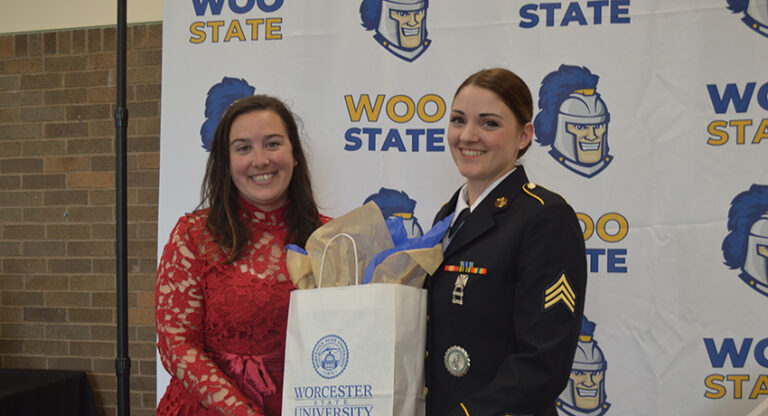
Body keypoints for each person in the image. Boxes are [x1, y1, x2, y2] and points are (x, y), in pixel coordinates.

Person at [425, 68, 587, 416]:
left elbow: (543, 363)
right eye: (458, 120)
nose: (468, 135)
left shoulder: (545, 218)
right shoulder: (446, 217)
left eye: (489, 123)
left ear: (524, 136)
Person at [155, 95, 330, 416]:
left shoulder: (331, 239)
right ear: (226, 161)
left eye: (272, 143)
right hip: (209, 409)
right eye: (243, 148)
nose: (260, 159)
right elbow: (176, 344)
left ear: (295, 155)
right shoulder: (194, 236)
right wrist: (238, 410)